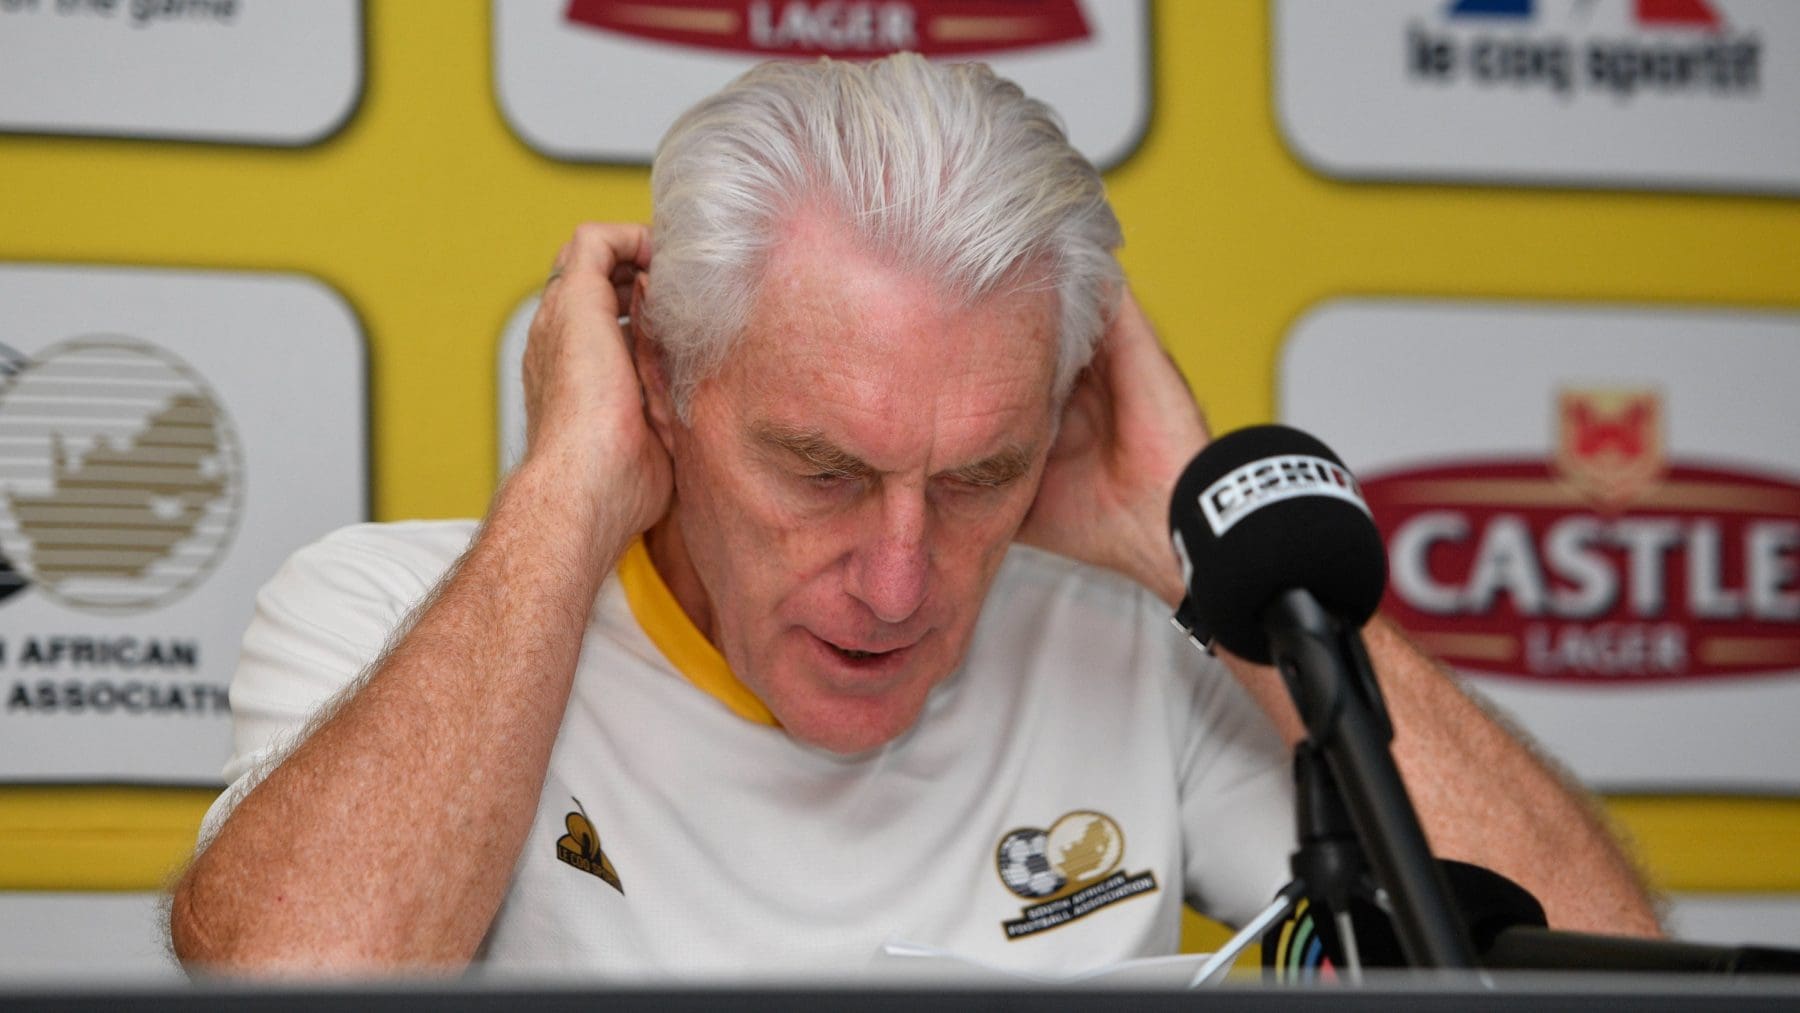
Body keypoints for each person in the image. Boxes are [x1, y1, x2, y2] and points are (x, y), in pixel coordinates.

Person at [169, 55, 1659, 978]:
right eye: (820, 470)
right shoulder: (389, 611)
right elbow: (291, 980)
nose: (898, 583)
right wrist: (568, 490)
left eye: (974, 480)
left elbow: (1601, 967)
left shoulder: (1133, 647)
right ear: (662, 383)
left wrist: (1182, 533)